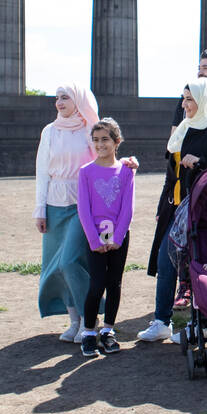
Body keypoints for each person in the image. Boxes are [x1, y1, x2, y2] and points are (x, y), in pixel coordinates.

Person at [139, 77, 207, 342]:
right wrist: (163, 204)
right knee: (165, 261)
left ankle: (201, 325)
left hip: (206, 212)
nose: (184, 105)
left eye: (189, 99)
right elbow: (171, 174)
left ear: (206, 100)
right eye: (183, 99)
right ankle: (162, 321)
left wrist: (201, 162)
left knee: (200, 266)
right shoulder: (183, 129)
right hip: (176, 209)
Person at [35, 84, 104, 342]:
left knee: (70, 261)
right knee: (56, 267)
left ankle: (91, 317)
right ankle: (74, 321)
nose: (59, 102)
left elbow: (104, 160)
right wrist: (40, 210)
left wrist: (126, 167)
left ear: (78, 100)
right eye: (57, 98)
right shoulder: (49, 131)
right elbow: (42, 172)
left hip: (82, 204)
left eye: (65, 97)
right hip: (54, 205)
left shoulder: (90, 130)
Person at [76, 118, 135, 357]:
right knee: (96, 284)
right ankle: (89, 332)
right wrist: (94, 240)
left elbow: (127, 208)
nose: (100, 144)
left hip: (119, 238)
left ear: (116, 142)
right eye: (96, 140)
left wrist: (118, 237)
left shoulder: (126, 172)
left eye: (105, 140)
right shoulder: (85, 173)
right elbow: (84, 209)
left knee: (114, 284)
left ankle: (108, 331)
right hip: (95, 238)